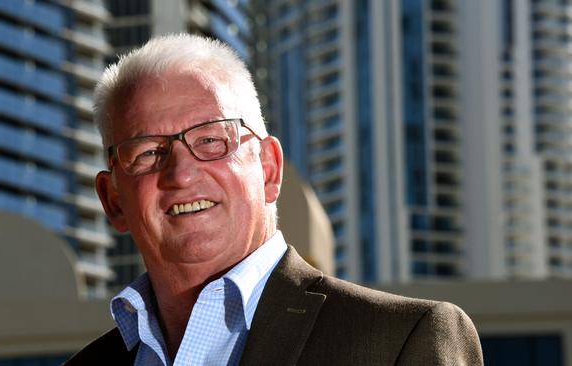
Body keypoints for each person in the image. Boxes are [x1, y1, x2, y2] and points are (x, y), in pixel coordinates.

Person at [64, 33, 483, 365]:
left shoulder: (402, 341)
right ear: (113, 199)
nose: (181, 173)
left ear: (269, 169)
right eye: (149, 153)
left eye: (211, 140)